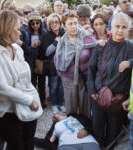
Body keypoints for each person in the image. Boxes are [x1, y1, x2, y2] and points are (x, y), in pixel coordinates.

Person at [0, 10, 41, 150]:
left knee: (29, 141)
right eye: (17, 28)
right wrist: (29, 100)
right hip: (9, 112)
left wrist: (33, 97)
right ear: (6, 29)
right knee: (16, 145)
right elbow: (2, 88)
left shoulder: (17, 48)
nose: (20, 32)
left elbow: (25, 79)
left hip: (27, 106)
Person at [87, 12, 133, 147]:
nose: (120, 30)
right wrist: (92, 91)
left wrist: (130, 62)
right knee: (97, 129)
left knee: (113, 133)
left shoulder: (131, 48)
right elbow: (91, 70)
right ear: (110, 27)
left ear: (128, 29)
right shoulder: (101, 46)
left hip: (118, 99)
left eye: (124, 27)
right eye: (117, 26)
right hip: (99, 95)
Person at [55, 13, 96, 118]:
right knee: (71, 107)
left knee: (85, 108)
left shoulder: (87, 37)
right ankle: (71, 130)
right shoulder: (62, 42)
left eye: (75, 23)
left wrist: (92, 73)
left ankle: (84, 130)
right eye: (70, 24)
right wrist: (62, 74)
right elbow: (57, 59)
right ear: (64, 27)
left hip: (85, 77)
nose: (73, 26)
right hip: (68, 79)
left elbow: (96, 54)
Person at [42, 13, 66, 114]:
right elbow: (46, 52)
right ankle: (54, 104)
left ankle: (61, 103)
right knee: (53, 87)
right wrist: (55, 42)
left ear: (60, 23)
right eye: (52, 22)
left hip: (63, 65)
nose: (55, 24)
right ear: (49, 24)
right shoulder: (47, 35)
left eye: (56, 22)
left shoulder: (64, 33)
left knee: (61, 86)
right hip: (52, 66)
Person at [25, 11, 47, 108]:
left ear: (40, 23)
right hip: (31, 60)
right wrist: (31, 47)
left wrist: (41, 44)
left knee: (42, 82)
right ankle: (34, 100)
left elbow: (46, 47)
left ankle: (42, 100)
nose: (35, 25)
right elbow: (25, 49)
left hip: (41, 60)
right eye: (32, 23)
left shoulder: (44, 32)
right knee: (33, 82)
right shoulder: (26, 34)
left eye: (37, 23)